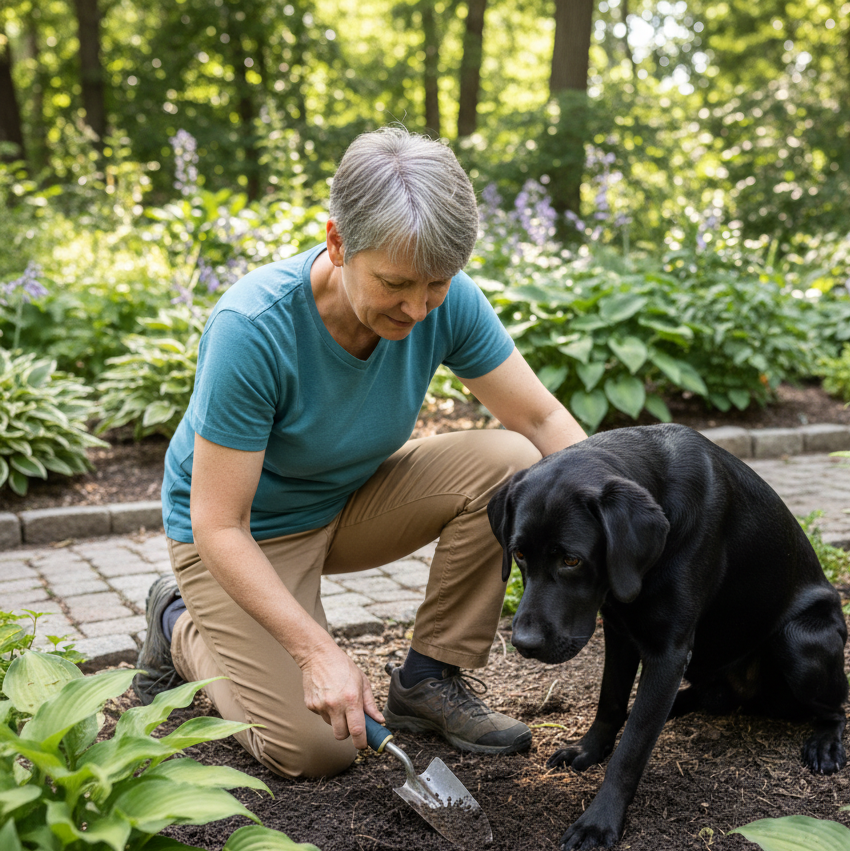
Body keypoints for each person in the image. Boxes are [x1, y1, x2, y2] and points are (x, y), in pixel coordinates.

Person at [134, 126, 586, 779]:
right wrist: (317, 651)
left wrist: (617, 506)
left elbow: (540, 416)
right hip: (244, 538)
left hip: (348, 503)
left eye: (437, 285)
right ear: (337, 241)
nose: (419, 309)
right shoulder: (252, 330)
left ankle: (429, 680)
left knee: (514, 462)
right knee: (319, 749)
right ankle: (178, 621)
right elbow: (218, 524)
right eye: (397, 284)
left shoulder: (442, 300)